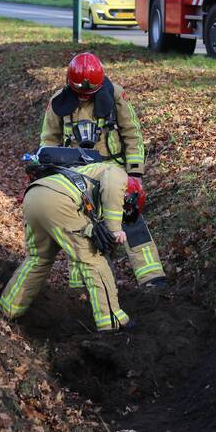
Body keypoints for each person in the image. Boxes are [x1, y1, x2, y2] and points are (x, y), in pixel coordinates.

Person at [40, 53, 167, 288]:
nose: (84, 97)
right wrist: (50, 177)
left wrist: (135, 175)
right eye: (80, 93)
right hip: (77, 177)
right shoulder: (58, 103)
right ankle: (87, 285)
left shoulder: (116, 95)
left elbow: (132, 134)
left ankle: (152, 278)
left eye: (89, 93)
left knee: (131, 220)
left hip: (114, 172)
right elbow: (48, 143)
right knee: (83, 229)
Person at [0, 158, 143, 331]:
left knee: (38, 258)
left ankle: (7, 310)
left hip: (34, 195)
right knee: (93, 260)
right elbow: (111, 188)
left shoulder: (90, 173)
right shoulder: (118, 174)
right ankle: (113, 322)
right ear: (129, 195)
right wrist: (114, 228)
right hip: (59, 201)